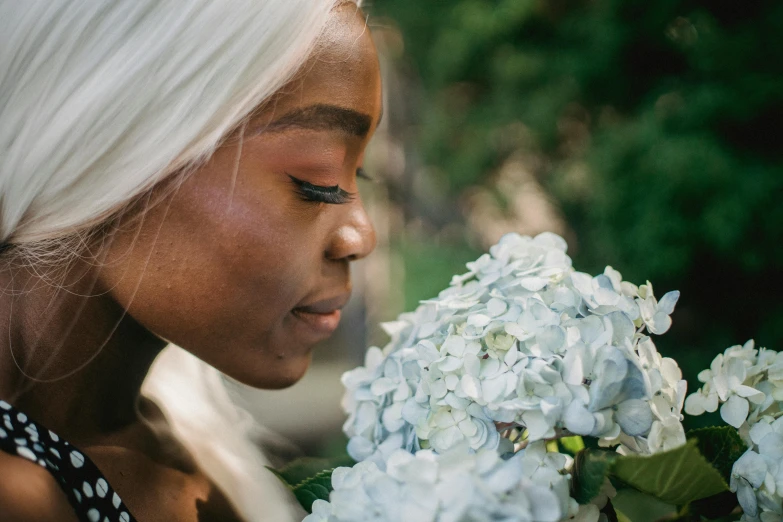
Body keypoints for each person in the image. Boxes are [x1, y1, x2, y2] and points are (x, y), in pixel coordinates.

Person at [0, 0, 381, 520]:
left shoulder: (173, 433)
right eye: (317, 182)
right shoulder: (19, 497)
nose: (361, 236)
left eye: (363, 177)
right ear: (110, 149)